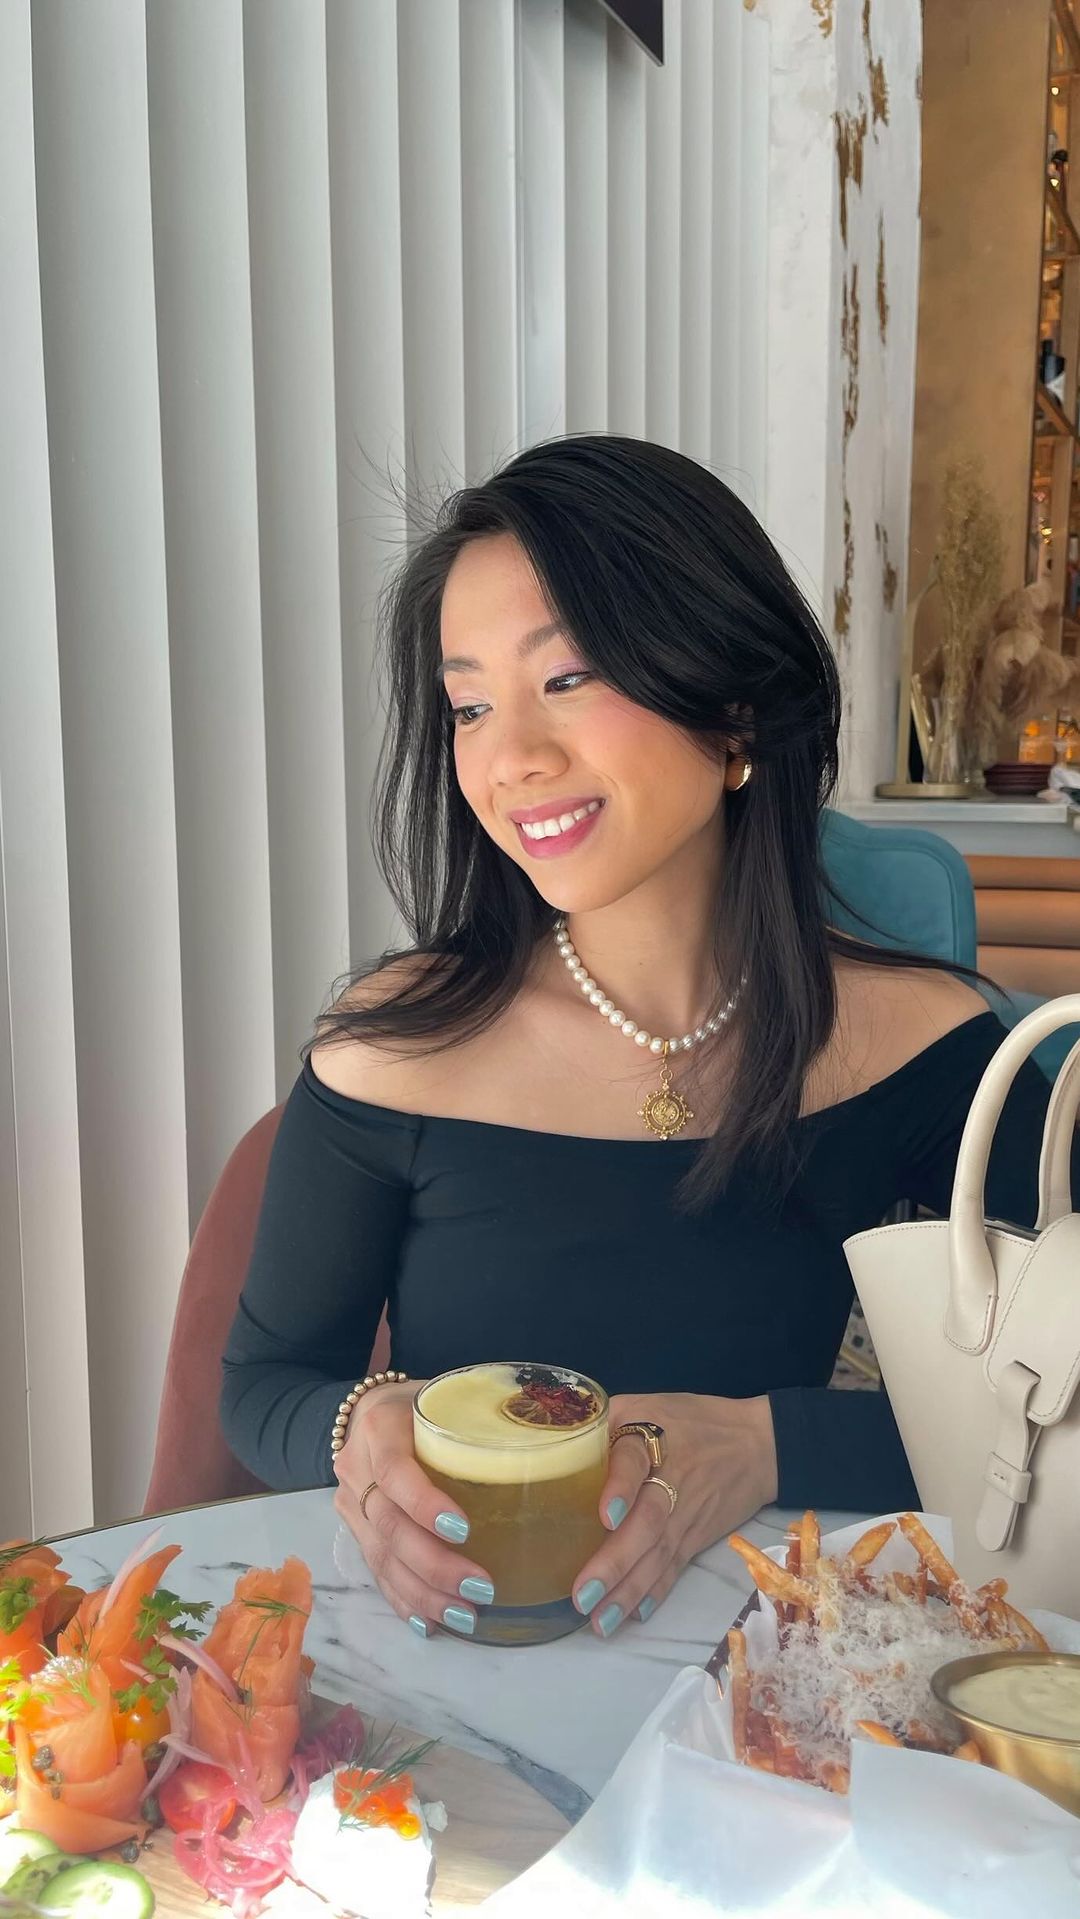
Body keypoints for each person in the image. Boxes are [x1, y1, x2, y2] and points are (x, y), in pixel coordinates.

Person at [221, 434, 1069, 1645]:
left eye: (566, 677)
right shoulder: (392, 1053)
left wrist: (766, 1442)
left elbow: (1046, 1418)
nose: (511, 757)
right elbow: (265, 1387)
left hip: (775, 1674)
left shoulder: (921, 1044)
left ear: (733, 705)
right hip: (469, 1665)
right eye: (470, 705)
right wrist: (362, 1428)